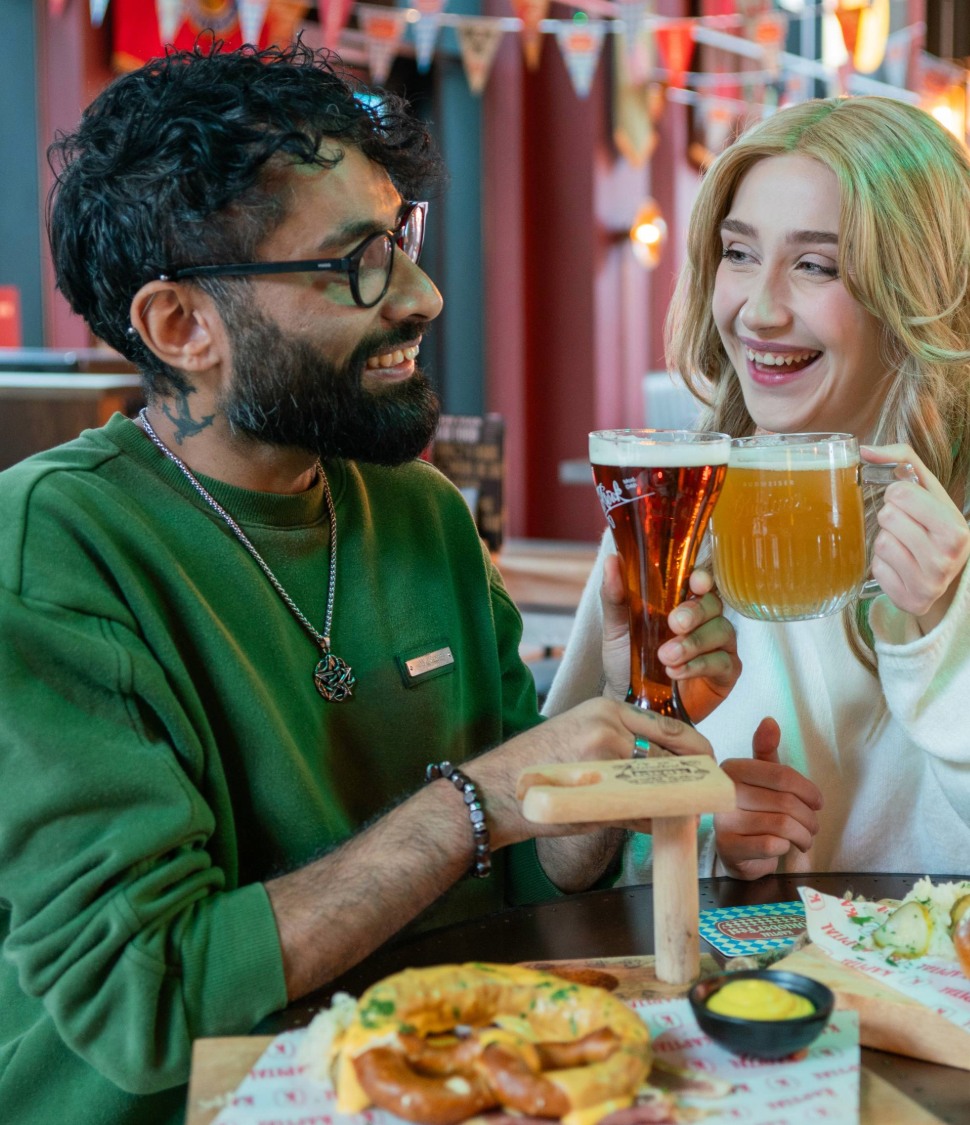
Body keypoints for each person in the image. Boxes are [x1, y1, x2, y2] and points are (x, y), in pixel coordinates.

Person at [0, 46, 740, 1124]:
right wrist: (478, 799)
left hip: (433, 1086)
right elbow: (143, 1001)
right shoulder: (53, 549)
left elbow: (528, 880)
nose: (424, 295)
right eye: (356, 263)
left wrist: (611, 753)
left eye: (403, 239)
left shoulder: (421, 514)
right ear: (180, 327)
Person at [547, 96, 970, 884]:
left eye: (816, 265)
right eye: (739, 254)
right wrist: (705, 828)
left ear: (913, 286)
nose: (759, 310)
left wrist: (957, 613)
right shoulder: (682, 487)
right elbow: (567, 859)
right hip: (772, 994)